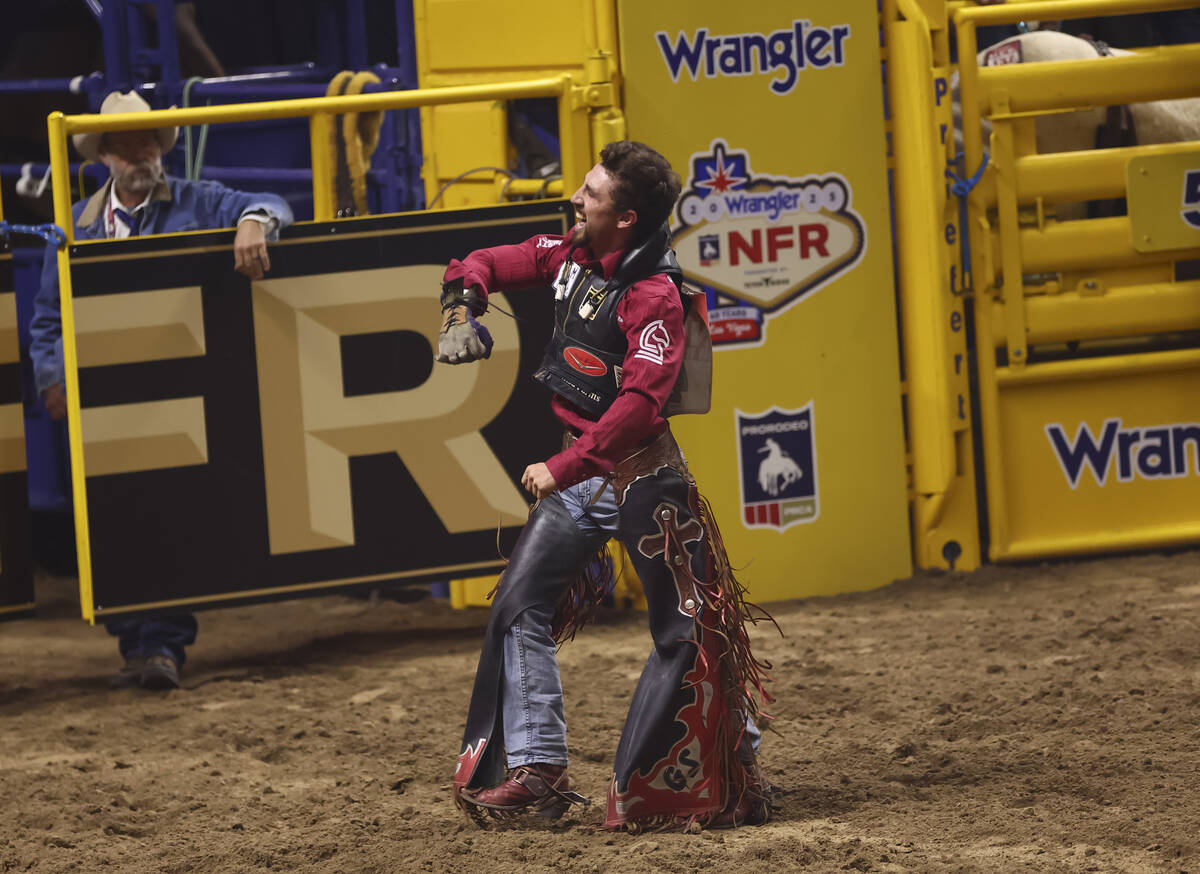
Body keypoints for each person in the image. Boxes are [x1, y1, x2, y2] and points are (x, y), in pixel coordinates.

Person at [439, 140, 773, 830]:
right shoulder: (574, 256)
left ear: (624, 219)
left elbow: (639, 408)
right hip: (591, 478)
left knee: (694, 629)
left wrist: (562, 467)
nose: (576, 199)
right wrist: (464, 303)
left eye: (590, 194)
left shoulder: (653, 296)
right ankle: (536, 768)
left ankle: (736, 772)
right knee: (519, 606)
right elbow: (493, 262)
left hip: (644, 481)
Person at [29, 90, 293, 690]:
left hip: (180, 391)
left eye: (148, 139)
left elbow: (273, 203)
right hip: (106, 396)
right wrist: (52, 378)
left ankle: (161, 647)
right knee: (110, 519)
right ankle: (138, 642)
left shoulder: (200, 200)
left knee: (171, 514)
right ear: (104, 155)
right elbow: (49, 315)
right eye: (126, 143)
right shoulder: (73, 224)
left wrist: (255, 221)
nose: (141, 152)